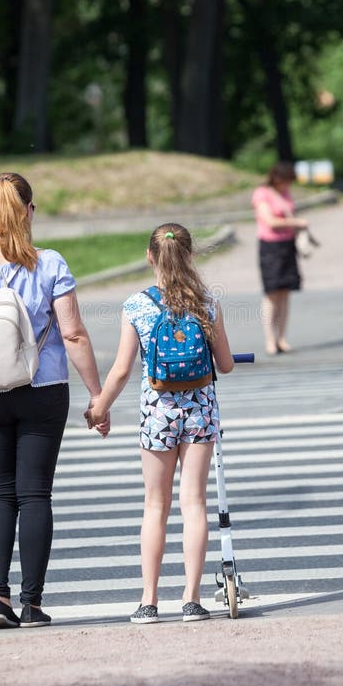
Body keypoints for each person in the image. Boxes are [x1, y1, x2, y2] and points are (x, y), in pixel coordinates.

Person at [0, 172, 109, 630]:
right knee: (35, 494)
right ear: (30, 211)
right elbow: (73, 332)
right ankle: (32, 603)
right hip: (44, 389)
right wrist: (98, 394)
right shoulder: (51, 264)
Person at [85, 223, 234, 624]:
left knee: (155, 505)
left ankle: (148, 601)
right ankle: (191, 599)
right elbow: (226, 364)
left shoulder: (137, 305)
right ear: (190, 255)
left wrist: (99, 408)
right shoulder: (207, 302)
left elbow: (120, 370)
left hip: (157, 413)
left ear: (150, 257)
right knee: (194, 504)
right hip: (200, 409)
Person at [251, 161, 308, 355]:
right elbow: (270, 221)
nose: (287, 185)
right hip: (270, 247)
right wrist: (296, 222)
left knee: (285, 292)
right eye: (285, 180)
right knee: (272, 293)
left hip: (287, 245)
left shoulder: (284, 193)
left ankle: (282, 338)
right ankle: (270, 339)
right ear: (276, 177)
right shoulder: (262, 194)